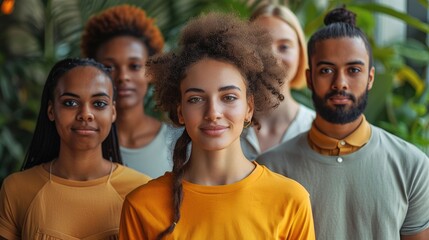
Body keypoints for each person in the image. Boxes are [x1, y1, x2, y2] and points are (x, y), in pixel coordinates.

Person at [119, 12, 315, 240]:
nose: (213, 113)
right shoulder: (141, 206)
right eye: (196, 99)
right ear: (180, 111)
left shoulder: (291, 201)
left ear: (249, 107)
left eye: (229, 97)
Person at [257, 6, 429, 240]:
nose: (340, 83)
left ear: (370, 78)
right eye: (326, 70)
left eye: (354, 70)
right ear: (309, 78)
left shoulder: (412, 165)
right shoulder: (269, 170)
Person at [0, 58, 150, 239]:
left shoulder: (142, 190)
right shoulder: (17, 189)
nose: (86, 114)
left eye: (99, 103)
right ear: (51, 111)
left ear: (113, 112)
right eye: (70, 103)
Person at [81, 4, 178, 178]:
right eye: (109, 67)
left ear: (152, 72)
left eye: (134, 66)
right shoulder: (81, 141)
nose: (123, 76)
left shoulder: (179, 142)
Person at [240, 4, 315, 160]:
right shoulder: (223, 125)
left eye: (284, 46)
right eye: (261, 45)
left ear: (301, 55)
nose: (272, 57)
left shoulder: (317, 129)